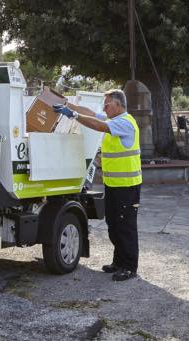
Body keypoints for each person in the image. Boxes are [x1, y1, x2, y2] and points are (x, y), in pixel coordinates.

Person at [53, 90, 141, 281]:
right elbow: (92, 114)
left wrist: (74, 116)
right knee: (114, 224)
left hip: (127, 186)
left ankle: (129, 267)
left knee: (125, 227)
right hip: (114, 185)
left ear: (118, 105)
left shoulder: (124, 123)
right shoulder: (115, 119)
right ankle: (118, 262)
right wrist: (69, 106)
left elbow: (97, 124)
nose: (104, 108)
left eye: (107, 104)